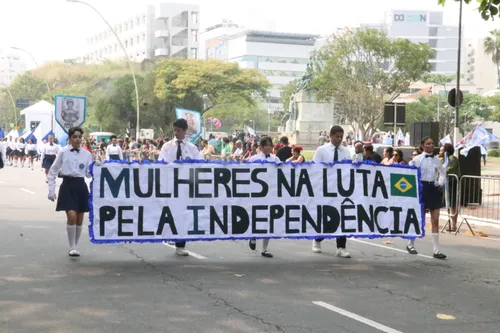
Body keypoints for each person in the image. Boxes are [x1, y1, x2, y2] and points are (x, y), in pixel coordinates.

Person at [158, 118, 203, 256]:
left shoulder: (192, 148)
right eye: (174, 130)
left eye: (178, 130)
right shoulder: (167, 147)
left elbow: (200, 164)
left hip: (186, 187)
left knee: (184, 214)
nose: (176, 133)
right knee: (171, 213)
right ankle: (170, 234)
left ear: (184, 131)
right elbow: (161, 163)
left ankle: (181, 244)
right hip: (171, 185)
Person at [47, 127, 93, 257]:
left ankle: (75, 245)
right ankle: (72, 246)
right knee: (71, 215)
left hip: (80, 186)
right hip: (67, 185)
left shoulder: (87, 154)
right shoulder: (63, 152)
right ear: (70, 138)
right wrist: (51, 189)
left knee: (79, 218)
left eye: (79, 137)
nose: (77, 139)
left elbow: (89, 174)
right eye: (75, 137)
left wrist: (97, 166)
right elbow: (54, 169)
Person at [312, 125, 351, 258]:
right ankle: (317, 239)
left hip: (341, 190)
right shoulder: (322, 150)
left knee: (342, 217)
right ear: (330, 136)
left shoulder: (346, 151)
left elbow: (348, 169)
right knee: (326, 217)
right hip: (325, 189)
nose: (339, 139)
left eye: (341, 137)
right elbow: (314, 169)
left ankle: (341, 246)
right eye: (337, 137)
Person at [408, 137, 447, 260]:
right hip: (421, 188)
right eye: (428, 143)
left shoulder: (437, 160)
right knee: (420, 218)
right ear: (423, 145)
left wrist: (440, 182)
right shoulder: (417, 159)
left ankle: (436, 249)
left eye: (432, 143)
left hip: (433, 189)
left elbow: (442, 173)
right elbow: (409, 172)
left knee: (435, 220)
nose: (431, 145)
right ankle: (411, 244)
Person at [248, 136, 280, 258]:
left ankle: (265, 249)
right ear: (260, 147)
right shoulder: (254, 159)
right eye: (265, 145)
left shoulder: (275, 159)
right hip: (257, 193)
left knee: (269, 219)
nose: (268, 147)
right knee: (257, 216)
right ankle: (253, 235)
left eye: (270, 145)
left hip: (271, 193)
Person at [442, 143, 461, 231]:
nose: (440, 151)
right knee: (448, 203)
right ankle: (450, 223)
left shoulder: (452, 159)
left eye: (442, 150)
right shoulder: (444, 159)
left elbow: (449, 169)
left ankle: (454, 225)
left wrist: (441, 170)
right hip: (446, 182)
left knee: (453, 204)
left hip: (452, 182)